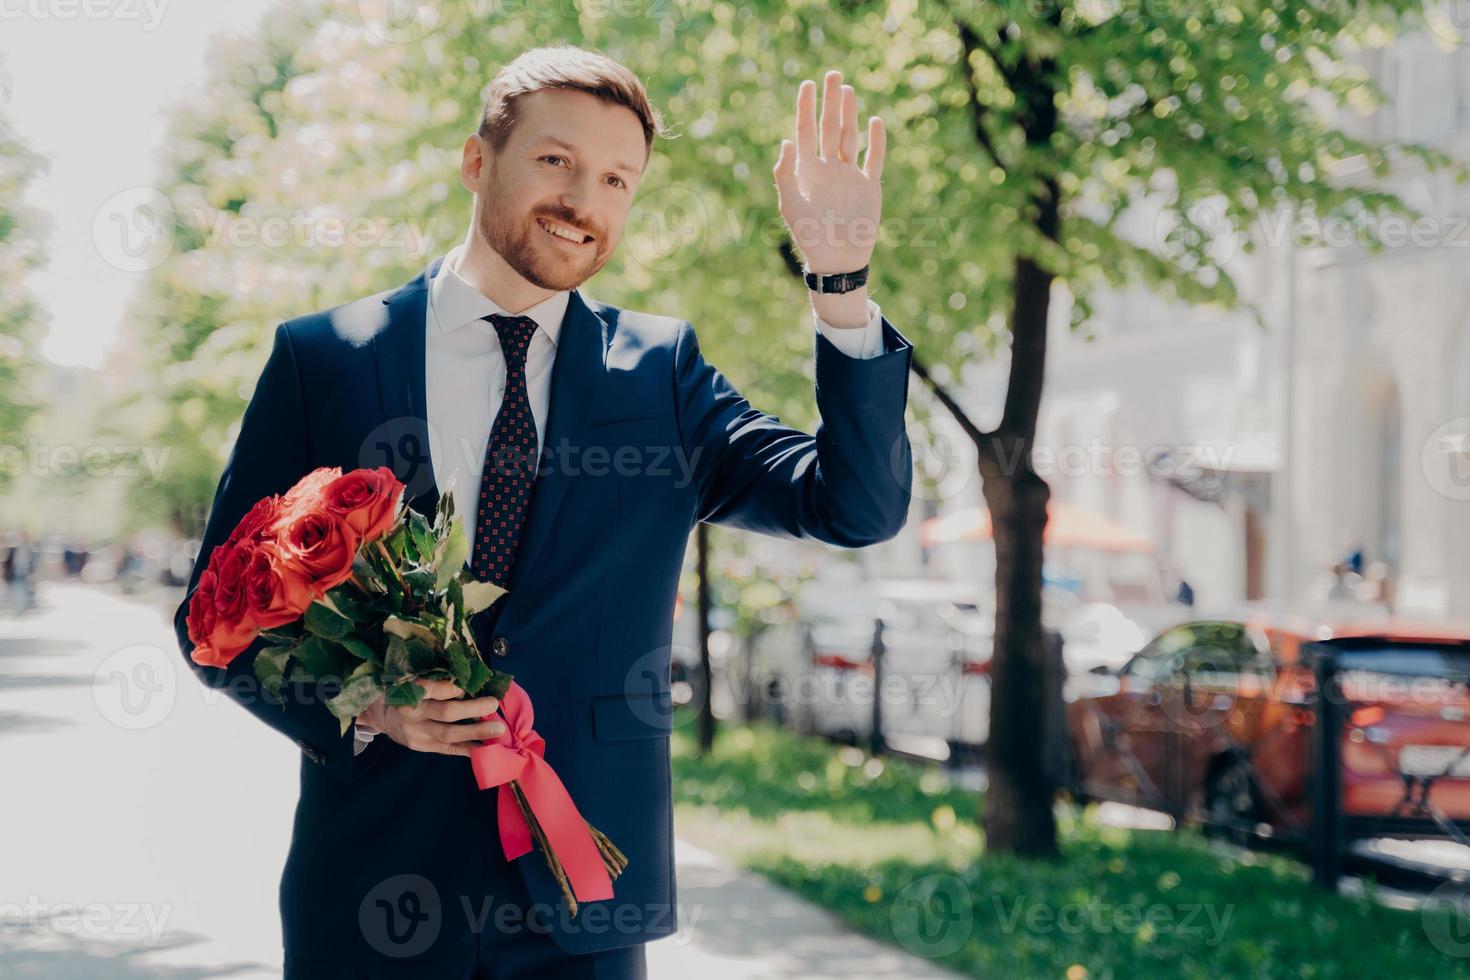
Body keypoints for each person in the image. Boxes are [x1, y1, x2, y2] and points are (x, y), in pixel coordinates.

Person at [173, 45, 912, 980]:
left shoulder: (664, 377)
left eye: (616, 179)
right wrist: (367, 712)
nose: (584, 202)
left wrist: (840, 285)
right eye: (556, 162)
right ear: (479, 161)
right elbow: (214, 621)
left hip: (584, 901)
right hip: (374, 896)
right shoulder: (327, 360)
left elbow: (854, 505)